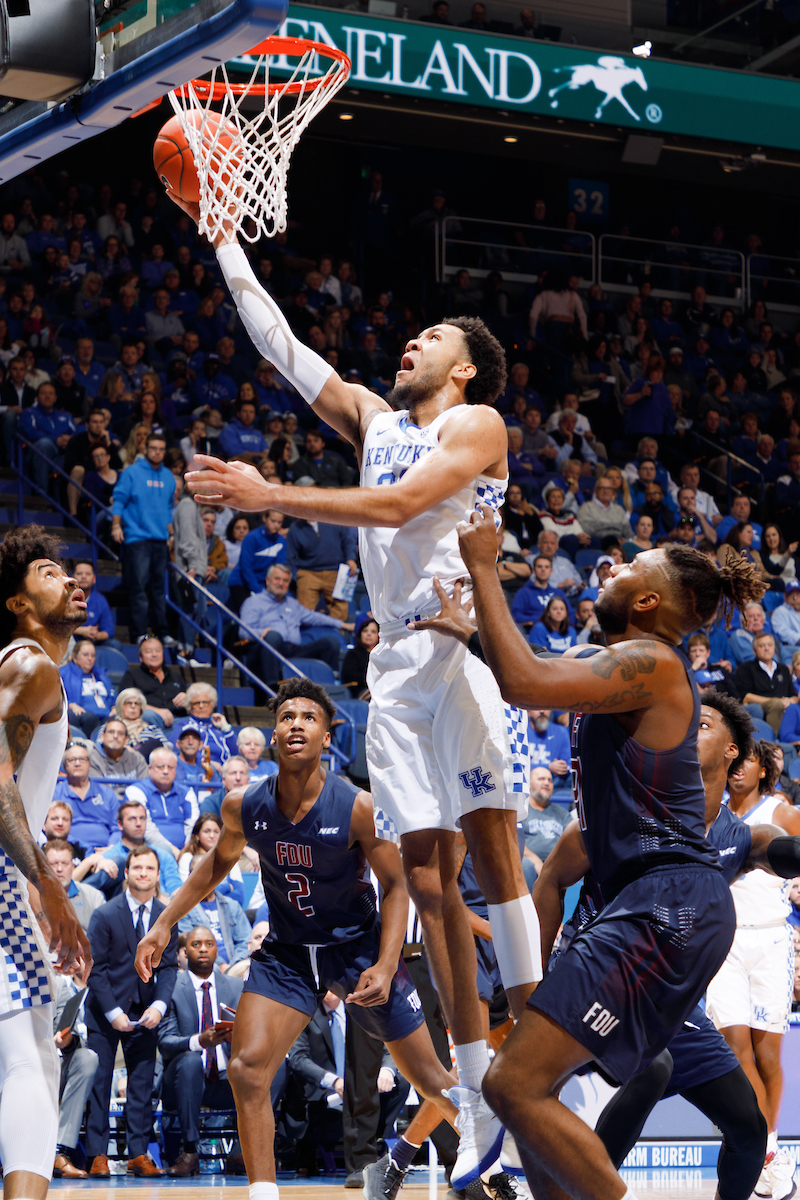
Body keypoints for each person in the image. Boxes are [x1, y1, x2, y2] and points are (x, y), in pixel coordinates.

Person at [179, 199, 540, 1187]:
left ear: (462, 365)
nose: (408, 343)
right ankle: (477, 1107)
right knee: (424, 881)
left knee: (494, 854)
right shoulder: (373, 420)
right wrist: (221, 241)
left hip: (460, 654)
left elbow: (397, 506)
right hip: (390, 679)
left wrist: (272, 495)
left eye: (428, 337)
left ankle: (550, 1069)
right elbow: (283, 347)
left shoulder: (475, 420)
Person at [413, 526, 766, 1200]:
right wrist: (470, 630)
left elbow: (525, 681)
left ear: (647, 603)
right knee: (528, 1090)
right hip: (647, 904)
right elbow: (533, 663)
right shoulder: (624, 665)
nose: (611, 565)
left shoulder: (656, 664)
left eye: (630, 565)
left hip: (666, 904)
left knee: (511, 1083)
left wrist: (485, 567)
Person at [137, 679, 467, 1192]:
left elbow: (398, 882)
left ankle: (503, 1156)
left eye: (308, 718)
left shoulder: (357, 805)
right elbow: (214, 867)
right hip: (287, 955)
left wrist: (384, 962)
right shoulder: (242, 805)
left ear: (327, 736)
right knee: (247, 1070)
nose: (295, 725)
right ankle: (263, 1192)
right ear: (273, 737)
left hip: (355, 949)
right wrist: (162, 923)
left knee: (431, 1080)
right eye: (285, 717)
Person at [534, 690, 787, 1200]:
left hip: (670, 1005)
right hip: (599, 972)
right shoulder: (629, 806)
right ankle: (589, 1191)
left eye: (704, 724)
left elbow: (779, 850)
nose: (687, 728)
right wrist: (536, 981)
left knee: (748, 1128)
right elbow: (550, 881)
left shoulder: (738, 836)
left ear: (733, 752)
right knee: (655, 1068)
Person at [0, 527, 96, 1197]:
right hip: (6, 880)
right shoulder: (32, 666)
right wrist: (50, 885)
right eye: (48, 571)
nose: (70, 579)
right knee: (30, 1055)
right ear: (17, 601)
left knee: (30, 1051)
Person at [706, 740, 800, 1200]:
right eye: (734, 760)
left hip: (772, 940)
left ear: (763, 769)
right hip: (724, 941)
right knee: (735, 1047)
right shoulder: (711, 810)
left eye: (747, 761)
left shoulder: (781, 812)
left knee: (767, 1057)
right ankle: (759, 1151)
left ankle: (770, 1144)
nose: (738, 768)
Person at [84, 845, 178, 1177]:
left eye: (149, 868)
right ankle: (98, 1155)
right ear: (126, 873)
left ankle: (139, 1153)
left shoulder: (166, 917)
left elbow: (168, 968)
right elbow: (95, 968)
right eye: (136, 867)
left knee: (141, 1085)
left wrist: (159, 1005)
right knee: (99, 1081)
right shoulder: (105, 914)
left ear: (156, 874)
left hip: (146, 1010)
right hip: (104, 1011)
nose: (142, 873)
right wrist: (112, 1012)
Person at [158, 924, 244, 1175]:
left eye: (209, 944)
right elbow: (165, 1042)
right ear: (184, 952)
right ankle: (191, 1150)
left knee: (278, 1066)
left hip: (228, 1082)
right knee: (190, 1061)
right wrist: (199, 1042)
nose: (203, 949)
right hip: (184, 1082)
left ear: (217, 950)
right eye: (196, 945)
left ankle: (241, 1150)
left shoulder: (236, 987)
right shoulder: (172, 987)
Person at [111, 432, 177, 644]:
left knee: (159, 590)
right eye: (153, 448)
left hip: (160, 540)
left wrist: (171, 533)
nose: (157, 452)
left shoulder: (168, 476)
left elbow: (168, 508)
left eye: (161, 449)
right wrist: (115, 525)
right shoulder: (132, 472)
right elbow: (119, 499)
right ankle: (139, 633)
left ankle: (163, 632)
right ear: (145, 449)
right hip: (137, 538)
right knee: (138, 588)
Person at [239, 562, 352, 683]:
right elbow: (243, 631)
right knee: (273, 636)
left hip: (293, 650)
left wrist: (343, 624)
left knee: (330, 642)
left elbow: (315, 617)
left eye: (285, 580)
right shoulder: (253, 602)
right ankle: (271, 688)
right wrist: (263, 632)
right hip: (266, 650)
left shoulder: (293, 604)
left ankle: (331, 685)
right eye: (277, 579)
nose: (281, 583)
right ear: (267, 580)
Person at [80, 799, 183, 900]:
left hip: (165, 906)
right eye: (132, 819)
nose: (138, 823)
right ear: (120, 824)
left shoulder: (163, 854)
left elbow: (174, 886)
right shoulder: (108, 858)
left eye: (142, 818)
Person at [124, 746, 199, 851]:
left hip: (185, 850)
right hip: (148, 849)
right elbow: (145, 828)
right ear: (150, 769)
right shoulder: (136, 790)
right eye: (160, 767)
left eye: (170, 767)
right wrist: (172, 850)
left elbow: (193, 824)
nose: (165, 771)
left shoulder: (187, 792)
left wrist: (187, 850)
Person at [285, 518, 358, 625]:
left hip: (336, 571)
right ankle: (308, 638)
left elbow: (348, 540)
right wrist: (295, 577)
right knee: (303, 612)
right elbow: (289, 557)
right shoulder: (295, 528)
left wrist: (351, 559)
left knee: (341, 611)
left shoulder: (334, 519)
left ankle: (335, 636)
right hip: (308, 572)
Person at [52, 743, 119, 852]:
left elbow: (117, 828)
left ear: (89, 764)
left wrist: (111, 848)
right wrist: (84, 849)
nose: (77, 763)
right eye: (72, 760)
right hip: (68, 849)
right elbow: (50, 828)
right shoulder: (55, 794)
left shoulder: (107, 793)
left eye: (82, 759)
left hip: (105, 852)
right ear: (64, 766)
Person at [117, 636, 189, 731]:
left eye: (158, 651)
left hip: (177, 721)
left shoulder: (175, 676)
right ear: (141, 657)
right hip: (150, 722)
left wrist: (188, 699)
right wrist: (157, 711)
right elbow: (124, 702)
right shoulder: (132, 675)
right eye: (149, 651)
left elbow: (191, 703)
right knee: (149, 715)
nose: (154, 654)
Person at [732, 632, 797, 734]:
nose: (767, 648)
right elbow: (745, 696)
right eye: (762, 646)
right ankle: (772, 741)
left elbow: (794, 696)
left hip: (784, 705)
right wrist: (777, 701)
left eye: (770, 645)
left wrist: (788, 701)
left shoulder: (783, 669)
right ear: (754, 651)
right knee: (776, 704)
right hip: (761, 705)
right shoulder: (745, 668)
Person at [44, 837, 105, 934]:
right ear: (45, 867)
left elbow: (103, 935)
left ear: (73, 867)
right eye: (54, 864)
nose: (59, 869)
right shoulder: (35, 897)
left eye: (65, 863)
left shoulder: (94, 896)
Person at [521, 767, 570, 883]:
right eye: (541, 779)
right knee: (525, 865)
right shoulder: (521, 811)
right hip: (531, 864)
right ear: (529, 785)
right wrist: (535, 860)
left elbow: (573, 841)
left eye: (550, 780)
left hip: (559, 865)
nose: (546, 783)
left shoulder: (562, 813)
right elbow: (514, 841)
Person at [171, 682, 238, 764]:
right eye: (196, 703)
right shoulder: (183, 726)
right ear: (190, 706)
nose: (201, 706)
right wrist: (209, 764)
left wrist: (226, 727)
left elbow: (237, 752)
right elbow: (177, 752)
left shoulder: (218, 726)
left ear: (212, 704)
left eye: (205, 702)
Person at [60, 638, 114, 736]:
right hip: (84, 715)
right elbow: (57, 697)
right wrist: (70, 705)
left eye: (93, 655)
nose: (90, 658)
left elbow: (112, 694)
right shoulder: (64, 673)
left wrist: (114, 707)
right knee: (90, 718)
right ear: (75, 657)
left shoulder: (100, 673)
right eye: (85, 655)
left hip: (106, 714)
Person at [70, 561, 118, 647]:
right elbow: (55, 625)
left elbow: (109, 631)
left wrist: (95, 635)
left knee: (114, 644)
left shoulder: (100, 600)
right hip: (69, 640)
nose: (83, 577)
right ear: (73, 578)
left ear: (94, 579)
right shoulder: (65, 598)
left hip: (92, 643)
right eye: (79, 573)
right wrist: (81, 631)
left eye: (88, 574)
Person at [525, 710, 571, 798]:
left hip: (554, 787)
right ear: (528, 711)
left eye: (546, 707)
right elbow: (515, 765)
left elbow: (569, 764)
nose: (542, 711)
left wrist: (563, 767)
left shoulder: (561, 732)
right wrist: (549, 767)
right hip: (526, 786)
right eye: (537, 707)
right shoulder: (521, 731)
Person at [342, 617, 379, 698]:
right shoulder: (353, 654)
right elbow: (350, 676)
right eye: (365, 631)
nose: (368, 634)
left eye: (373, 631)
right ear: (360, 634)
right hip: (360, 690)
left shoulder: (383, 655)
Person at [770, 580, 800, 663]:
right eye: (791, 595)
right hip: (789, 647)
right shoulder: (779, 612)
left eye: (797, 594)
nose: (795, 598)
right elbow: (783, 633)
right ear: (785, 596)